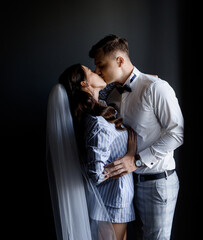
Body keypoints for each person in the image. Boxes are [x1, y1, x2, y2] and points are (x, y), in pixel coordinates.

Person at [88, 34, 184, 240]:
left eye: (101, 65)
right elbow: (89, 95)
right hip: (127, 185)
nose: (97, 71)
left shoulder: (156, 88)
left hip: (156, 183)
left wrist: (137, 160)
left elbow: (177, 134)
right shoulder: (111, 94)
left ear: (120, 61)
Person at [55, 63, 137, 240]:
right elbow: (96, 174)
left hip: (118, 198)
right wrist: (129, 157)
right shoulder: (98, 123)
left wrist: (148, 79)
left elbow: (125, 81)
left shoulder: (99, 108)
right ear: (84, 84)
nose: (97, 71)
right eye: (91, 72)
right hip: (112, 200)